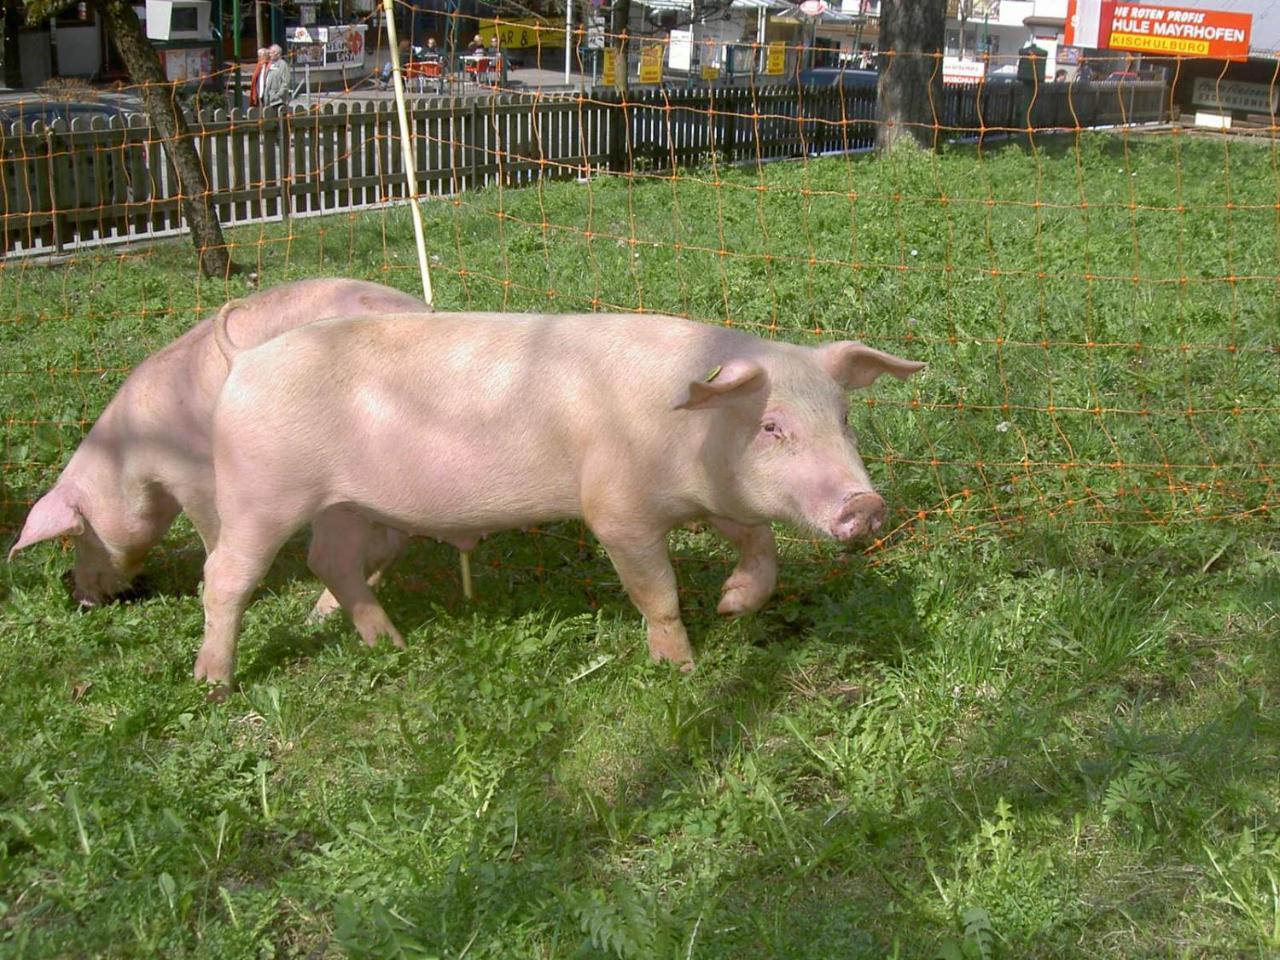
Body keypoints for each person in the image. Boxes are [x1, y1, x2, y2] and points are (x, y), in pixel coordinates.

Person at [263, 43, 291, 110]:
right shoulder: (271, 65)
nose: (270, 55)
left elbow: (286, 82)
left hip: (278, 101)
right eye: (269, 53)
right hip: (269, 100)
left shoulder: (283, 65)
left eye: (271, 53)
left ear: (277, 54)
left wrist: (278, 95)